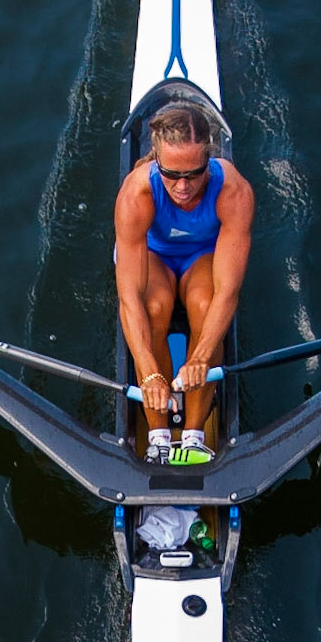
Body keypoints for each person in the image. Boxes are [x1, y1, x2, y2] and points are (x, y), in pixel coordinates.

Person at [114, 100, 254, 464]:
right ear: (156, 160)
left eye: (193, 174)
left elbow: (229, 293)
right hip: (154, 254)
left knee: (207, 306)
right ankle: (158, 437)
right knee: (152, 308)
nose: (182, 187)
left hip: (202, 256)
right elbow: (128, 297)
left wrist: (202, 357)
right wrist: (148, 373)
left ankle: (194, 436)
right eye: (172, 174)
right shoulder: (136, 193)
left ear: (209, 158)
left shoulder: (234, 191)